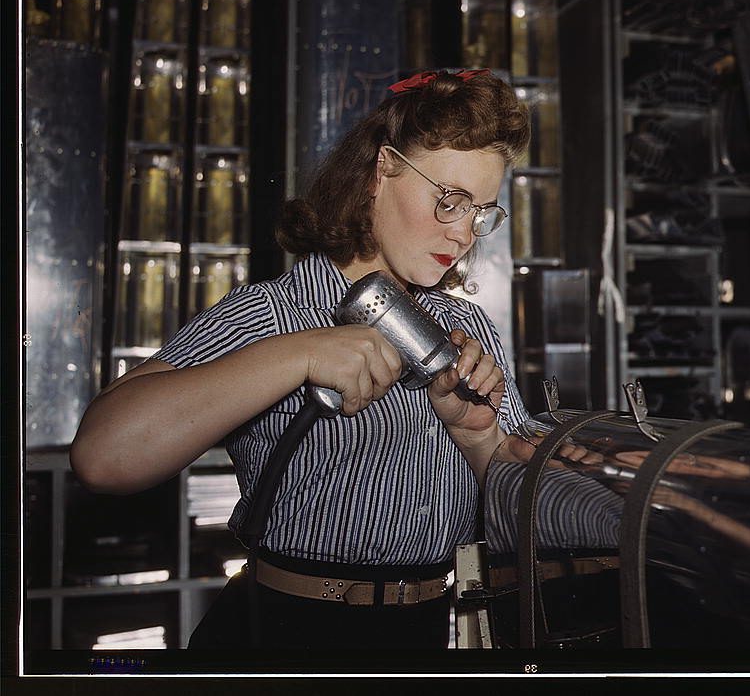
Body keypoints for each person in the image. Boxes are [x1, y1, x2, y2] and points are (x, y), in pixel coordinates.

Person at [71, 69, 544, 651]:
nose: (464, 232)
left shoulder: (469, 330)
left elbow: (534, 519)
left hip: (421, 635)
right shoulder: (274, 313)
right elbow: (102, 456)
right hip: (286, 633)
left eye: (482, 212)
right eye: (449, 200)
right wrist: (295, 354)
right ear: (382, 170)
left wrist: (478, 438)